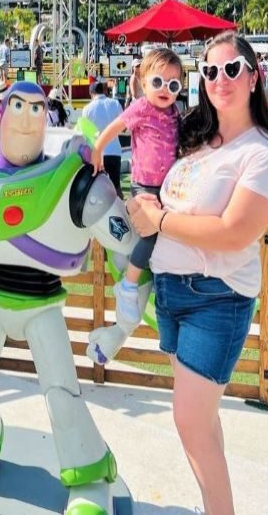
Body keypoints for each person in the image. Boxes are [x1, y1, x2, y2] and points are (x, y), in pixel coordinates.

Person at [0, 81, 143, 515]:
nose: (27, 117)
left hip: (42, 304)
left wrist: (123, 325)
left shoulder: (76, 183)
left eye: (38, 108)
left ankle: (92, 476)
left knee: (61, 391)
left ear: (49, 117)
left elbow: (127, 252)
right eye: (17, 106)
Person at [127, 31, 268, 515]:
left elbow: (234, 233)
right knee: (203, 421)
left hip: (215, 300)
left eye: (232, 69)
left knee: (189, 422)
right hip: (173, 294)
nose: (221, 79)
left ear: (253, 76)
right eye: (211, 72)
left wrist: (159, 221)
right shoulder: (198, 139)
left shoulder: (262, 152)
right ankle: (215, 507)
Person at [90, 48, 182, 332]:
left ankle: (152, 281)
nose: (165, 90)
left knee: (171, 236)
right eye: (158, 82)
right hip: (144, 186)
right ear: (143, 83)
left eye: (173, 85)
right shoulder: (141, 108)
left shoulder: (175, 113)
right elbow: (113, 128)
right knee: (151, 235)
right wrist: (97, 151)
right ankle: (129, 284)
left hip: (168, 189)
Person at [81, 78, 124, 198]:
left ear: (91, 93)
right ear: (103, 91)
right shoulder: (114, 103)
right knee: (116, 185)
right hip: (114, 150)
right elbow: (123, 125)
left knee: (95, 187)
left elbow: (86, 133)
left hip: (97, 154)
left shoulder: (87, 108)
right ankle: (123, 212)